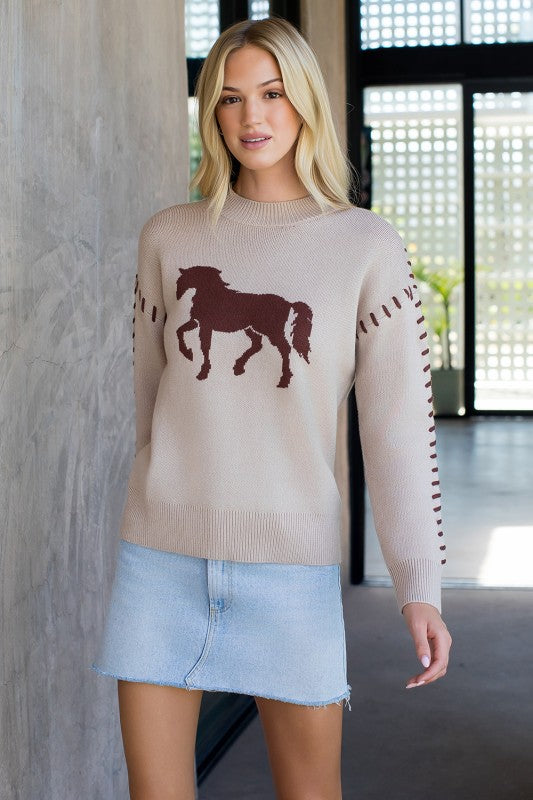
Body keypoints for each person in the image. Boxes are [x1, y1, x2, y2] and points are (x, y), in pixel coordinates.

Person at [91, 15, 452, 800]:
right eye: (229, 98)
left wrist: (417, 584)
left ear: (305, 102)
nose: (250, 116)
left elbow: (396, 430)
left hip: (291, 572)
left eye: (272, 93)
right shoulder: (168, 238)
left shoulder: (364, 245)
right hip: (159, 564)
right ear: (211, 114)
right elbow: (151, 407)